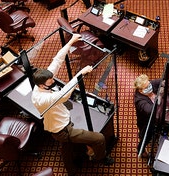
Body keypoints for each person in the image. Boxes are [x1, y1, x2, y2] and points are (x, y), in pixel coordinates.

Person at [32, 34, 114, 166]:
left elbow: (57, 60)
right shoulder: (42, 98)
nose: (53, 81)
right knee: (99, 138)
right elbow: (64, 95)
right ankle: (100, 158)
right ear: (42, 85)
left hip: (62, 119)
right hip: (62, 130)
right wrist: (80, 74)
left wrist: (71, 41)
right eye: (50, 81)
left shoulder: (42, 82)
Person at [133, 74, 162, 159]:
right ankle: (140, 150)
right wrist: (159, 97)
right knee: (146, 137)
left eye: (149, 84)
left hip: (157, 116)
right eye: (147, 87)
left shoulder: (150, 84)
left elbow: (163, 78)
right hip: (147, 122)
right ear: (141, 91)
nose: (150, 86)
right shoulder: (139, 100)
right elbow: (149, 110)